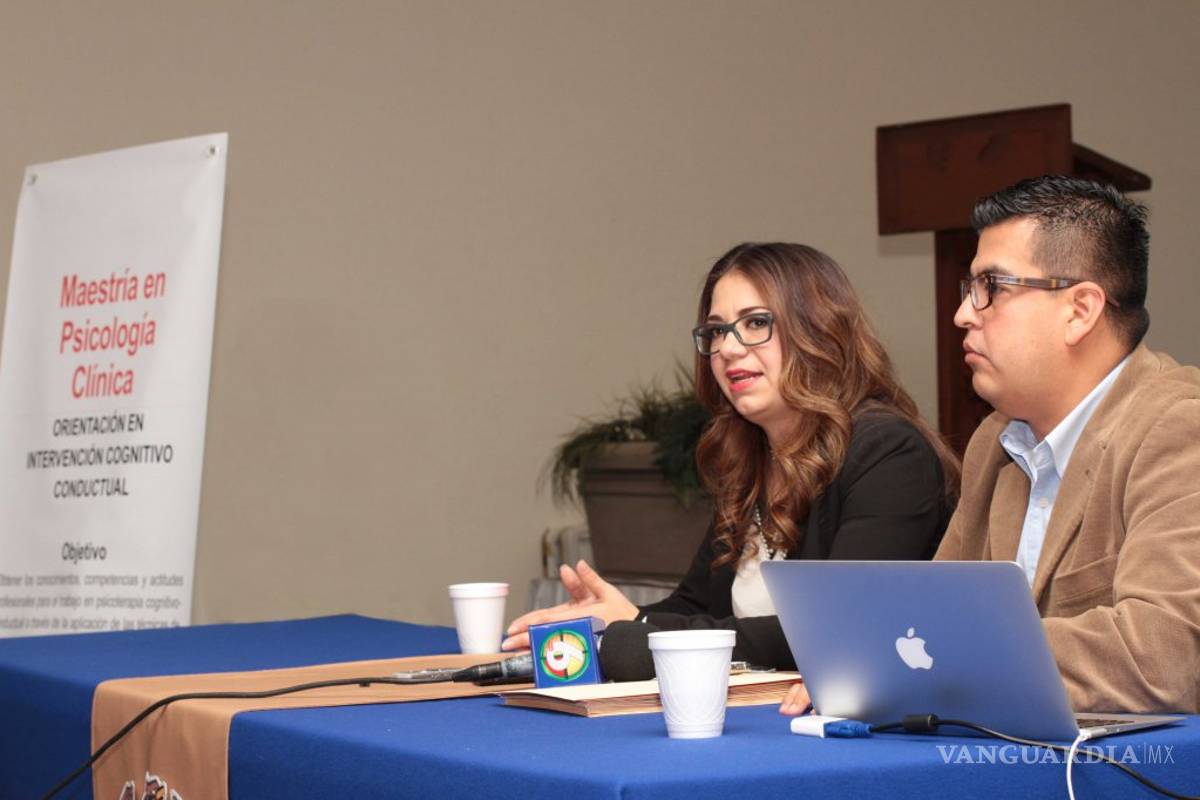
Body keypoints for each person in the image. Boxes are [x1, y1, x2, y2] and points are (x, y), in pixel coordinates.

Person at [782, 175, 1200, 717]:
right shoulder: (997, 441)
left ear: (1080, 310)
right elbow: (927, 616)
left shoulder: (1177, 428)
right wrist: (864, 658)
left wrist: (926, 662)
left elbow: (1165, 656)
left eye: (992, 288)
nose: (963, 313)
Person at [505, 242, 960, 670]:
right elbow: (695, 607)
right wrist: (608, 617)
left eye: (756, 323)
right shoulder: (751, 460)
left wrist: (637, 629)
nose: (727, 348)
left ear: (818, 329)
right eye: (717, 330)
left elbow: (834, 629)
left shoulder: (888, 452)